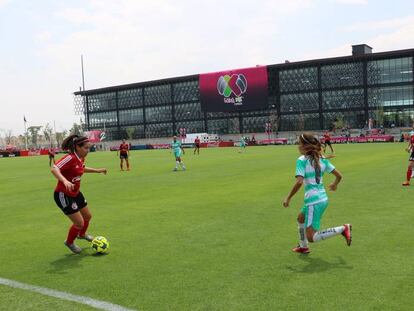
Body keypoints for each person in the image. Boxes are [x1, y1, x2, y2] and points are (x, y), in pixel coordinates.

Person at [283, 133, 352, 254]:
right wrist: (334, 184)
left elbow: (299, 182)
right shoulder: (322, 159)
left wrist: (288, 197)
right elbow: (339, 176)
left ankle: (342, 229)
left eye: (299, 144)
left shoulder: (301, 160)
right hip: (322, 199)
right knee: (300, 218)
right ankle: (303, 246)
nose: (298, 146)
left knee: (312, 236)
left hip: (313, 201)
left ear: (305, 146)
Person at [51, 135, 107, 254]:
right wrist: (64, 181)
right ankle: (69, 242)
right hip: (63, 195)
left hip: (76, 193)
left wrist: (97, 171)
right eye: (86, 148)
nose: (88, 151)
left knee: (88, 216)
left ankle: (81, 235)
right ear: (77, 147)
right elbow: (54, 168)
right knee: (79, 223)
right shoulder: (70, 157)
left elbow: (81, 168)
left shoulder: (80, 158)